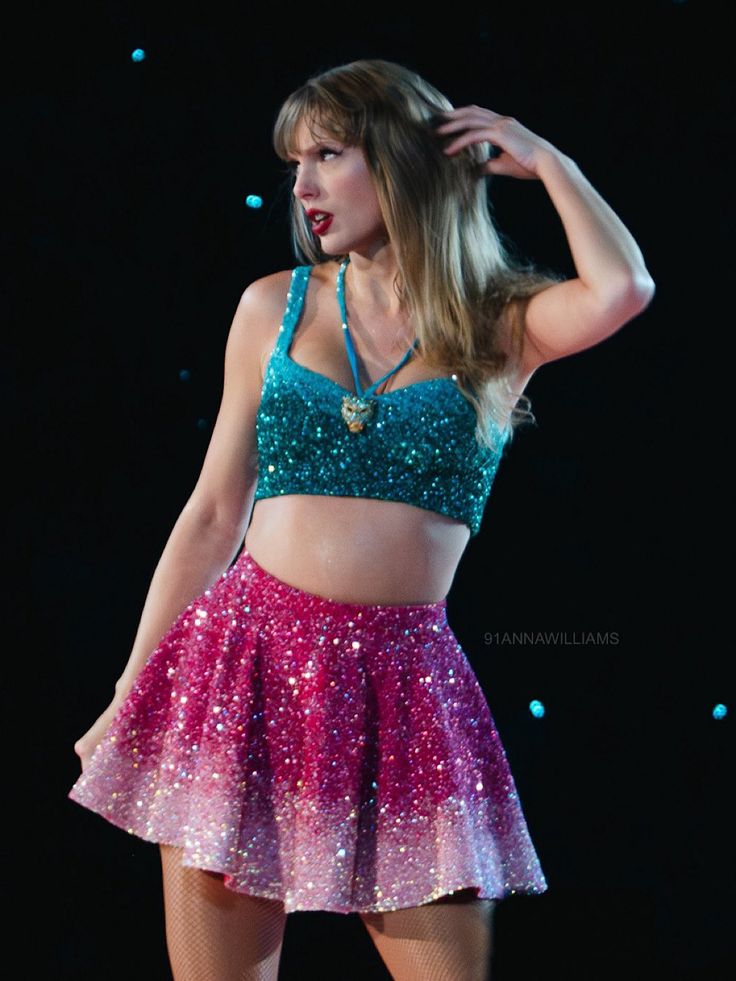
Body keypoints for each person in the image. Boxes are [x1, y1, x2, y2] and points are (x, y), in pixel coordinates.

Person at [69, 59, 654, 981]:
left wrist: (548, 163)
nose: (300, 188)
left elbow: (624, 290)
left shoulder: (500, 324)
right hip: (241, 669)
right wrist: (130, 690)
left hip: (406, 687)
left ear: (398, 162)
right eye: (293, 164)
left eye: (326, 155)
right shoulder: (273, 306)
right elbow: (214, 512)